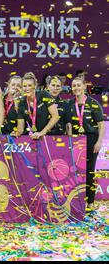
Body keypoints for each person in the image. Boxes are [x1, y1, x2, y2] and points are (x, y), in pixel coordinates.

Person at [66, 76, 105, 211]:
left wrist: (99, 142)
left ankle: (90, 201)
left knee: (89, 171)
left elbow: (101, 125)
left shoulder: (93, 104)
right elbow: (68, 123)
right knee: (74, 172)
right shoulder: (70, 104)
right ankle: (76, 201)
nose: (76, 88)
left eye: (78, 85)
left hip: (91, 140)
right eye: (74, 86)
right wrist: (69, 136)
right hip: (76, 142)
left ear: (84, 86)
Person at [16, 72, 59, 139]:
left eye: (30, 85)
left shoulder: (44, 94)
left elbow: (55, 116)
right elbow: (20, 128)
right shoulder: (21, 102)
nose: (27, 88)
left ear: (35, 86)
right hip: (33, 137)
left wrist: (42, 132)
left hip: (50, 137)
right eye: (24, 86)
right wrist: (17, 133)